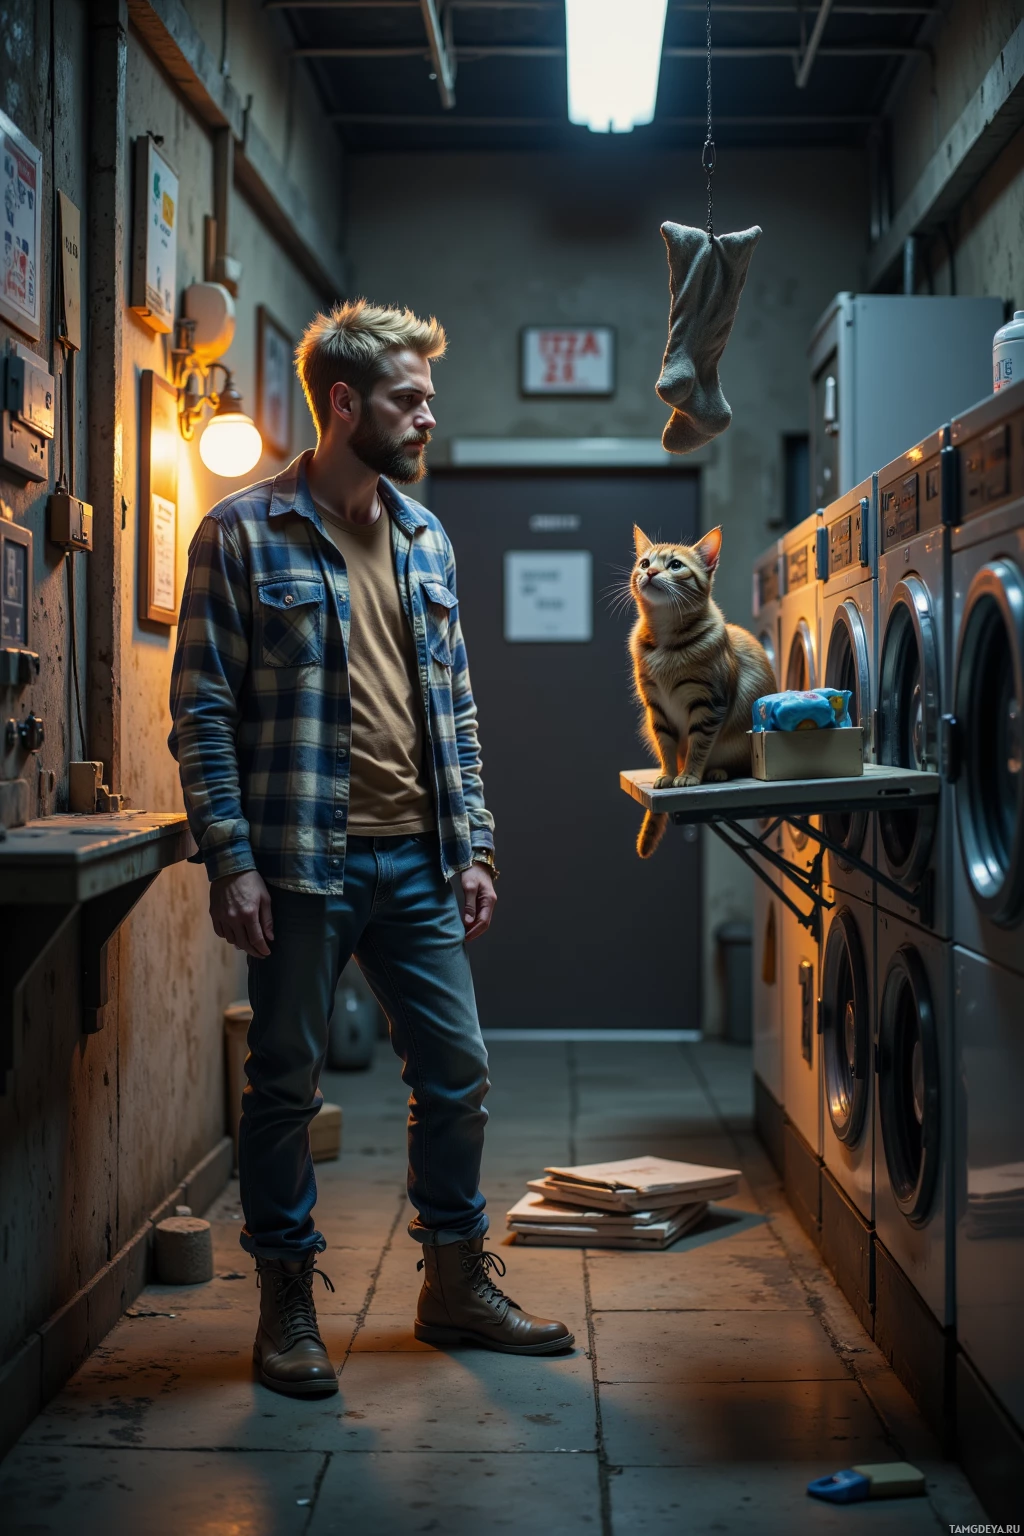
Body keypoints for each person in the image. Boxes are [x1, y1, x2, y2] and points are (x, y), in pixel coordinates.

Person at [168, 300, 572, 1397]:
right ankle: (287, 1305)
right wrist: (230, 859)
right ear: (344, 404)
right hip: (300, 864)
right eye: (409, 397)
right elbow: (201, 712)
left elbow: (456, 706)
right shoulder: (242, 533)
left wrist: (475, 844)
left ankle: (452, 1283)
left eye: (427, 397)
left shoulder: (424, 535)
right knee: (285, 1083)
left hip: (416, 862)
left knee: (457, 1072)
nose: (428, 416)